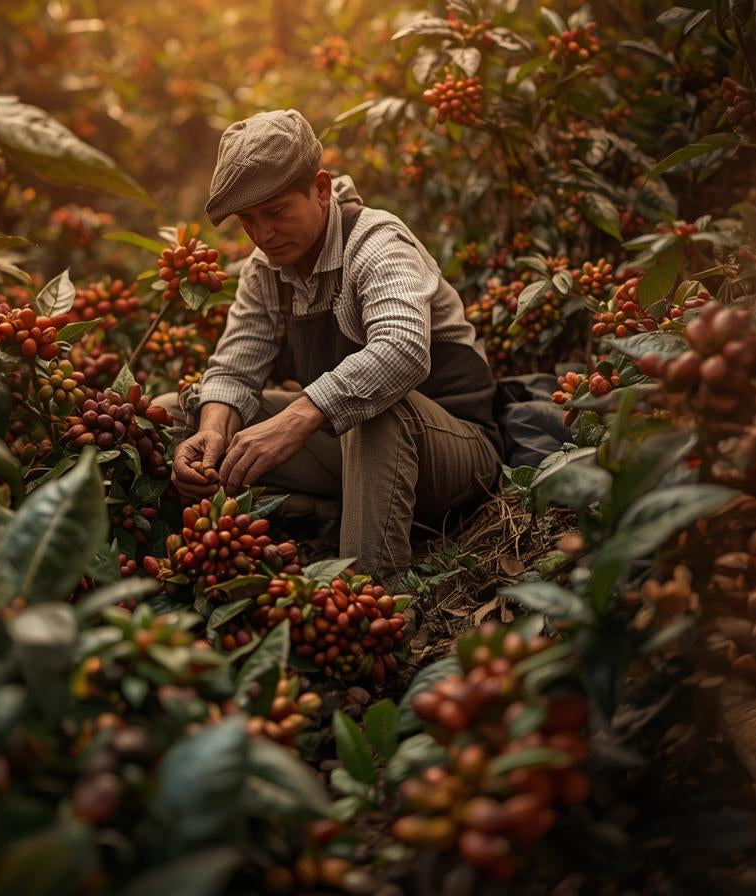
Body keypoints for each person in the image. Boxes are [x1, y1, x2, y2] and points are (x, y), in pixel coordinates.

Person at [156, 109, 500, 576]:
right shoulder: (267, 267)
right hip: (359, 457)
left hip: (455, 456)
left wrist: (296, 417)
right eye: (248, 221)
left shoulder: (377, 242)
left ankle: (369, 593)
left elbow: (402, 348)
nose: (263, 235)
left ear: (321, 189)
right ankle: (316, 516)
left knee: (374, 408)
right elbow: (235, 366)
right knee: (177, 412)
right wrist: (214, 429)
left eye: (276, 213)